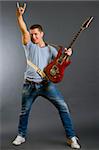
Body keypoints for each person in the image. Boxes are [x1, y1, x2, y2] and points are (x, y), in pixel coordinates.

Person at [12, 3, 80, 149]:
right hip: (29, 85)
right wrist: (19, 16)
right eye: (32, 34)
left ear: (42, 33)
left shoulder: (51, 49)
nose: (33, 36)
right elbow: (23, 30)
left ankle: (71, 137)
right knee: (24, 111)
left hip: (46, 85)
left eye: (36, 34)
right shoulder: (29, 44)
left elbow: (61, 63)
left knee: (63, 107)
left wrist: (67, 55)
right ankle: (21, 135)